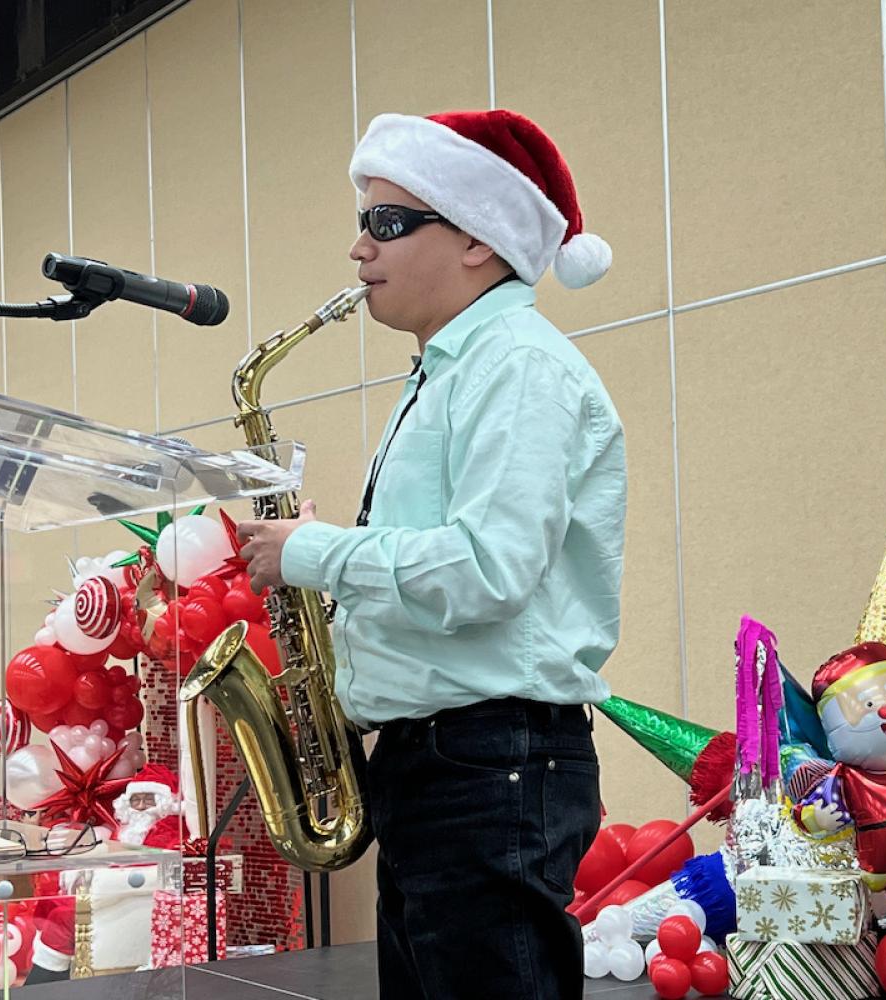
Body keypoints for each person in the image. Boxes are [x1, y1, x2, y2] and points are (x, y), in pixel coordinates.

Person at [236, 108, 626, 998]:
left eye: (387, 221)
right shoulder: (452, 370)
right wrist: (323, 564)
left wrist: (320, 554)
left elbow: (489, 570)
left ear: (478, 239)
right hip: (452, 762)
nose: (358, 249)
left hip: (488, 762)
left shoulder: (516, 366)